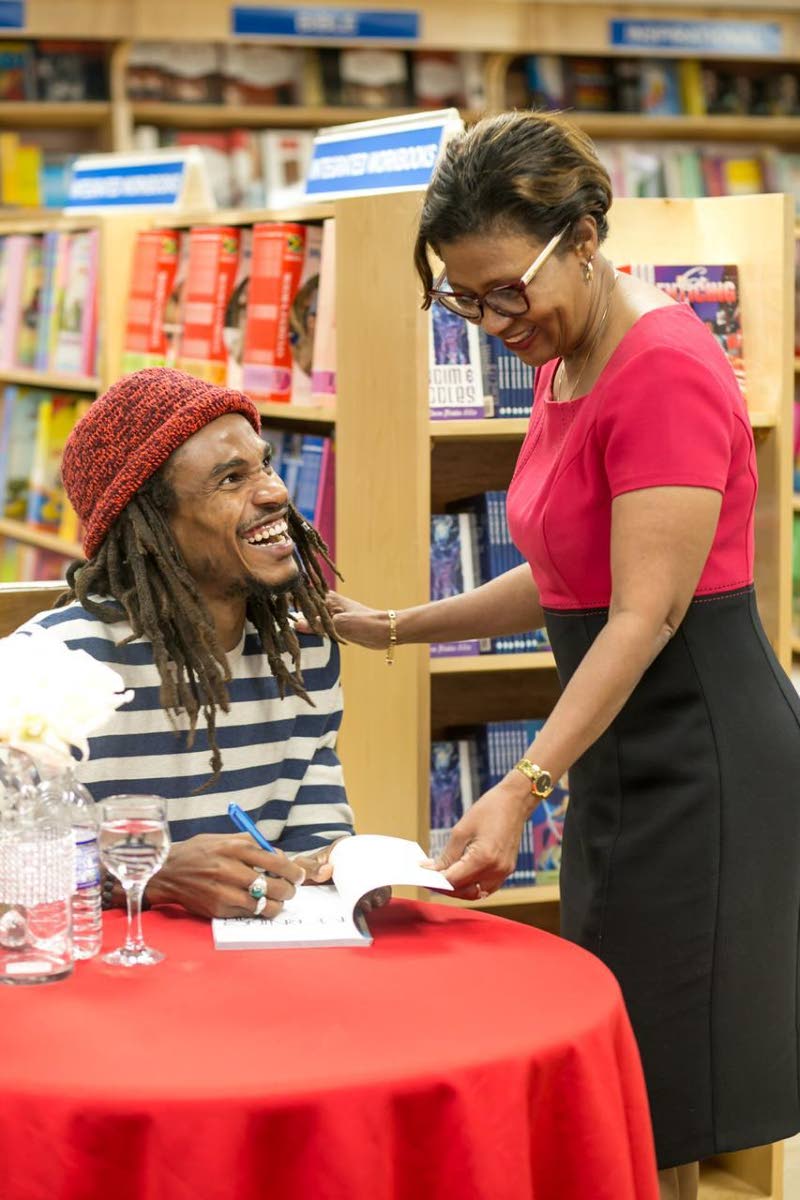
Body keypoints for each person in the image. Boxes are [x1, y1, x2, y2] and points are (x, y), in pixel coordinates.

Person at [303, 111, 800, 1198]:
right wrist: (395, 626)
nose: (487, 323)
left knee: (669, 1092)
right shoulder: (562, 351)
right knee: (624, 1078)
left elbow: (643, 612)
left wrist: (525, 782)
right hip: (622, 751)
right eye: (461, 300)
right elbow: (570, 570)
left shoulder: (661, 366)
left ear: (581, 239)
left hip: (701, 757)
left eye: (502, 292)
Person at [16, 367, 357, 922]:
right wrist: (153, 872)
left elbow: (311, 842)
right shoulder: (48, 671)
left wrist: (346, 865)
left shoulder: (303, 654)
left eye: (265, 464)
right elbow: (13, 871)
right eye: (230, 479)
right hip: (102, 990)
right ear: (150, 529)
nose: (274, 491)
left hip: (256, 986)